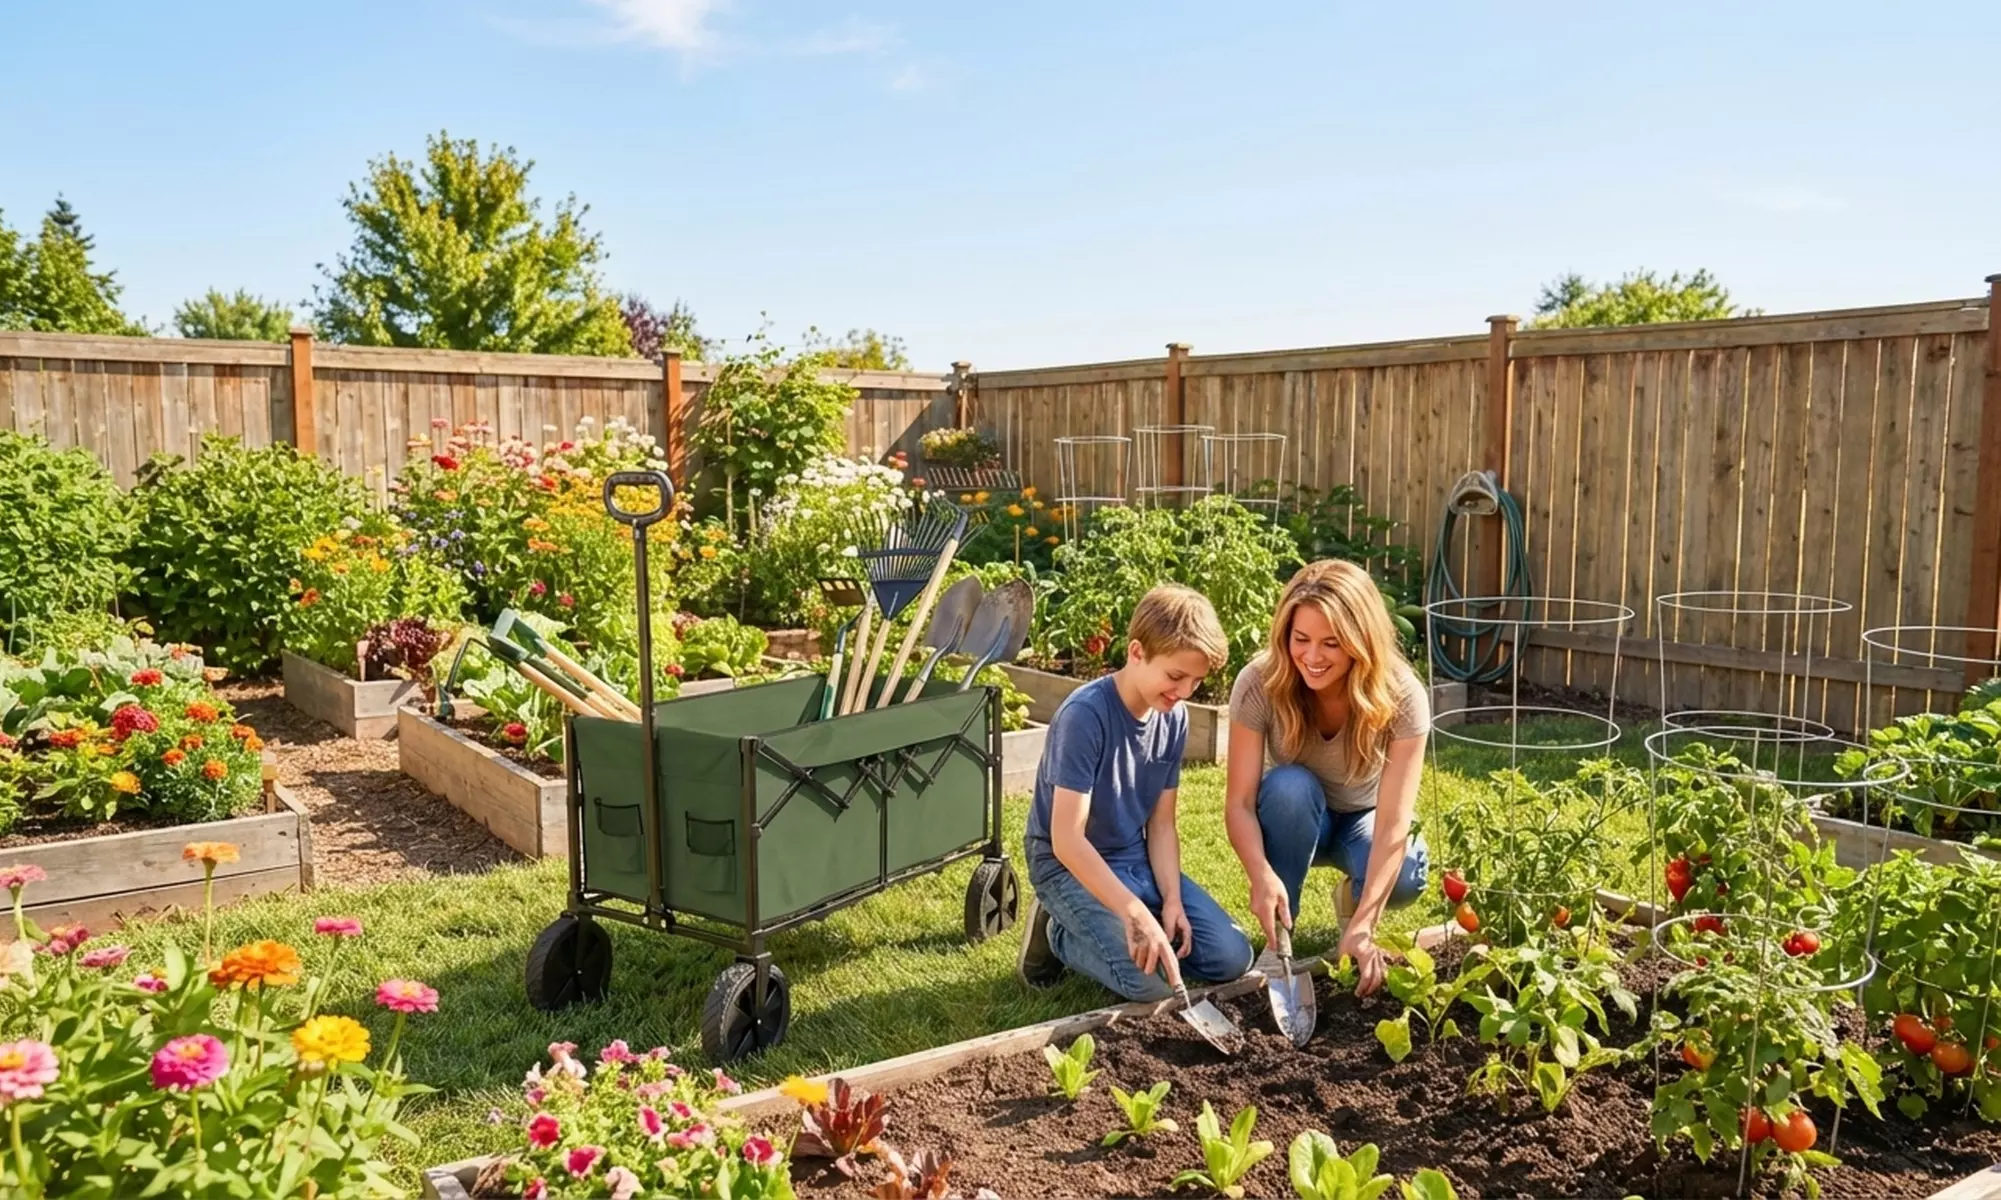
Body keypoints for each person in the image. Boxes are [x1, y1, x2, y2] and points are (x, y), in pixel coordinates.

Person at [1015, 584, 1255, 1001]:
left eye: (1196, 682)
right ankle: (1059, 932)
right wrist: (1134, 912)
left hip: (1131, 858)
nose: (1183, 692)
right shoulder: (1085, 716)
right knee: (1150, 985)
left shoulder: (1174, 717)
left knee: (1233, 958)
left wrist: (1172, 902)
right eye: (1176, 676)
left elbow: (1161, 826)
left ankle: (1105, 921)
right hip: (1065, 865)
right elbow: (1066, 840)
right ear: (1137, 652)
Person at [1223, 559, 1430, 997]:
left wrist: (1366, 924)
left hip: (1364, 820)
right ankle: (1282, 933)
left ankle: (1353, 905)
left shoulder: (1403, 696)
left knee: (1409, 871)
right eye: (1301, 639)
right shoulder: (1260, 683)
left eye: (1331, 644)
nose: (1312, 658)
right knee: (1289, 787)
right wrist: (1260, 876)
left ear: (1361, 642)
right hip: (1295, 822)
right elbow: (1240, 803)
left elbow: (1394, 824)